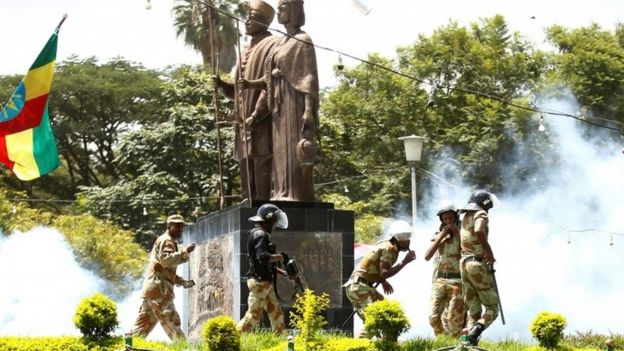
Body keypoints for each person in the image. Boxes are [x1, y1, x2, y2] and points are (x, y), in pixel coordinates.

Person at [240, 0, 319, 201]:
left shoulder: (303, 39)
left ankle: (297, 194)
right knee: (280, 151)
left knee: (294, 149)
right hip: (277, 105)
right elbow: (269, 79)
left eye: (282, 9)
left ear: (293, 11)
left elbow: (308, 78)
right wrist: (249, 83)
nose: (278, 14)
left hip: (294, 103)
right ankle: (282, 192)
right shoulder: (281, 42)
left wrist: (308, 109)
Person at [213, 0, 276, 201]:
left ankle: (262, 200)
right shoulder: (244, 50)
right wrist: (223, 85)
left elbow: (271, 85)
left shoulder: (272, 45)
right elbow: (238, 92)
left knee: (260, 159)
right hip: (242, 121)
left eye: (252, 18)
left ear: (263, 22)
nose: (247, 22)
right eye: (247, 18)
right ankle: (248, 198)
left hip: (262, 118)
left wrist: (257, 114)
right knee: (245, 160)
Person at [127, 214, 197, 340]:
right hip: (159, 290)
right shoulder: (166, 241)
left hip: (153, 289)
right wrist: (184, 252)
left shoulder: (168, 241)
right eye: (177, 226)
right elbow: (166, 261)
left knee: (143, 324)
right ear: (169, 226)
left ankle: (128, 345)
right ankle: (183, 347)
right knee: (171, 318)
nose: (180, 229)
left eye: (181, 227)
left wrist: (182, 281)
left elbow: (165, 270)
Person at [343, 220, 416, 338]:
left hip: (364, 286)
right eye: (404, 237)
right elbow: (385, 272)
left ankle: (388, 345)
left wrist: (383, 281)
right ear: (397, 238)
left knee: (388, 315)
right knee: (373, 321)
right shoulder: (389, 249)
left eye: (408, 237)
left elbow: (376, 269)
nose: (408, 241)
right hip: (359, 287)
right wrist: (404, 262)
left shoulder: (386, 245)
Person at [238, 203, 289, 334]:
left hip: (264, 283)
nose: (275, 225)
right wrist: (279, 257)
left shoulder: (258, 234)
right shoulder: (260, 235)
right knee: (253, 316)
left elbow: (262, 263)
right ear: (269, 220)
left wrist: (281, 271)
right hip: (260, 283)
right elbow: (263, 257)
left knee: (276, 314)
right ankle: (231, 338)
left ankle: (281, 342)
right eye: (274, 221)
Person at [459, 190, 499, 345]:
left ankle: (467, 343)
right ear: (485, 204)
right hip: (477, 264)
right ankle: (476, 331)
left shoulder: (466, 216)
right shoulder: (481, 214)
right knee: (492, 308)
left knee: (474, 310)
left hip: (464, 264)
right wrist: (489, 252)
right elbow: (478, 230)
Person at [424, 202, 465, 337]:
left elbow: (469, 250)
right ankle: (443, 342)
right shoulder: (437, 235)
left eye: (451, 218)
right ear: (441, 220)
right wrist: (440, 237)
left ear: (456, 218)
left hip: (457, 281)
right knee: (433, 317)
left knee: (453, 319)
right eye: (445, 219)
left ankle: (455, 344)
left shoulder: (463, 234)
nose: (448, 221)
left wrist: (457, 233)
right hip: (439, 281)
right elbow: (427, 256)